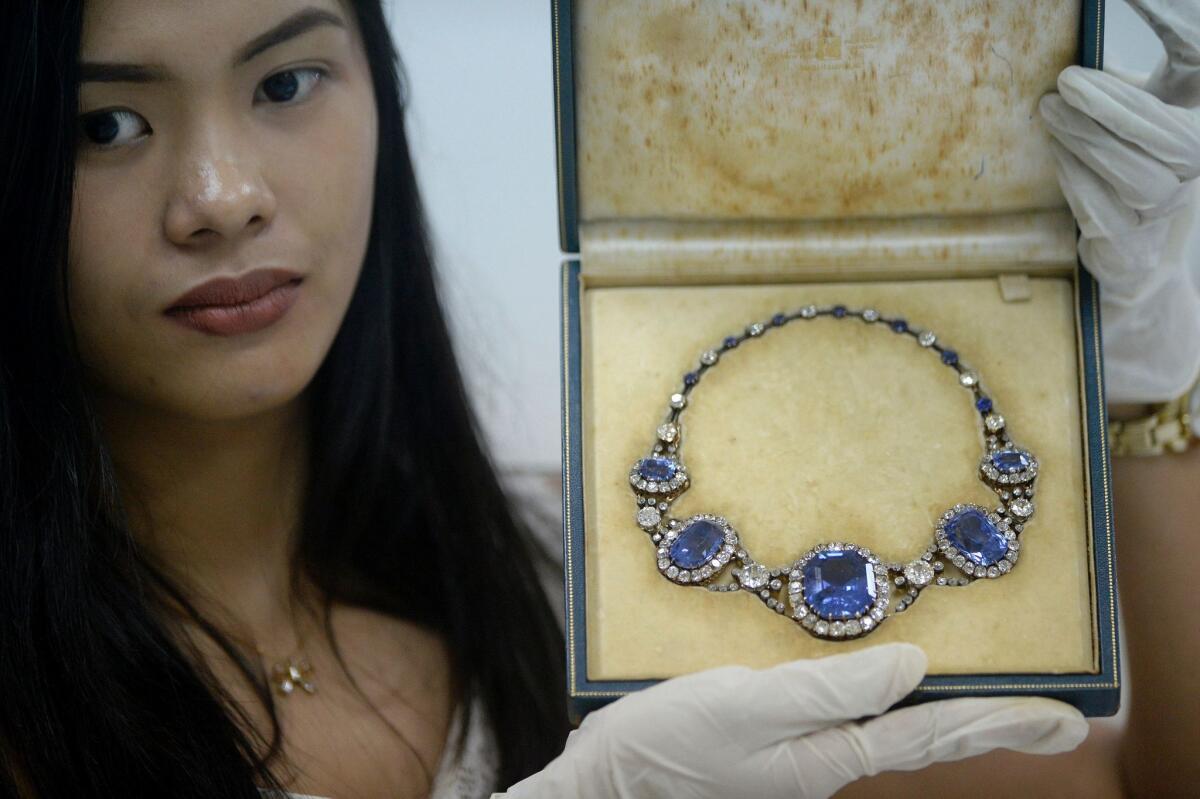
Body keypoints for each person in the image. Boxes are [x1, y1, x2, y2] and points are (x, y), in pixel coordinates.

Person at [0, 2, 1194, 799]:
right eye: (106, 123)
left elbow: (1142, 782)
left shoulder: (575, 572)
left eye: (287, 80)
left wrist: (1150, 376)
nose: (222, 195)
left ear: (381, 96)